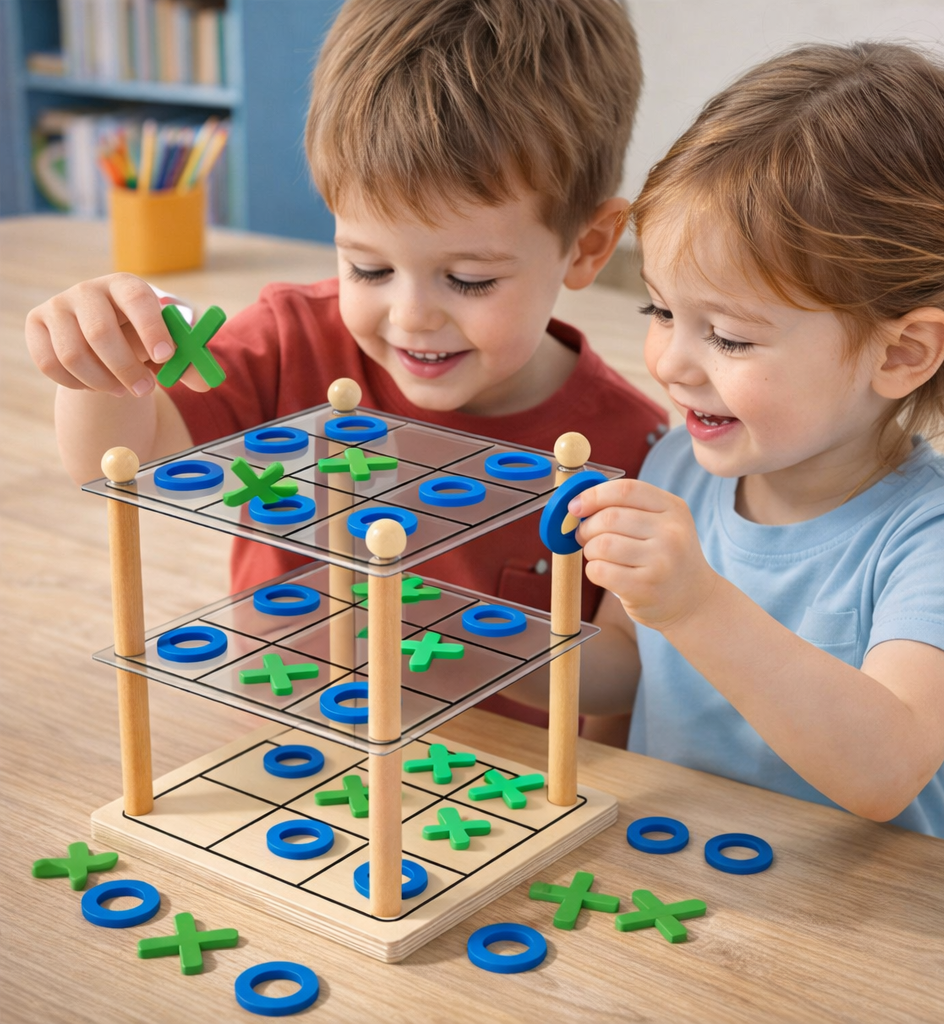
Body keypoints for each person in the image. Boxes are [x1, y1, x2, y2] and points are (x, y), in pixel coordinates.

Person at [23, 0, 666, 740]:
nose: (411, 315)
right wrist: (98, 370)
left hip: (492, 790)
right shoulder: (293, 340)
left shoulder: (633, 448)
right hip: (290, 756)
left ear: (588, 247)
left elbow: (622, 682)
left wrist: (439, 628)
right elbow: (123, 466)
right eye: (368, 266)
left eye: (469, 279)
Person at [563, 42, 944, 849]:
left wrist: (696, 603)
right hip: (690, 888)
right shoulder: (680, 464)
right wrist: (459, 645)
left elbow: (886, 770)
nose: (670, 362)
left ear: (901, 353)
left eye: (731, 338)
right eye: (661, 312)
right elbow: (626, 662)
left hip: (883, 935)